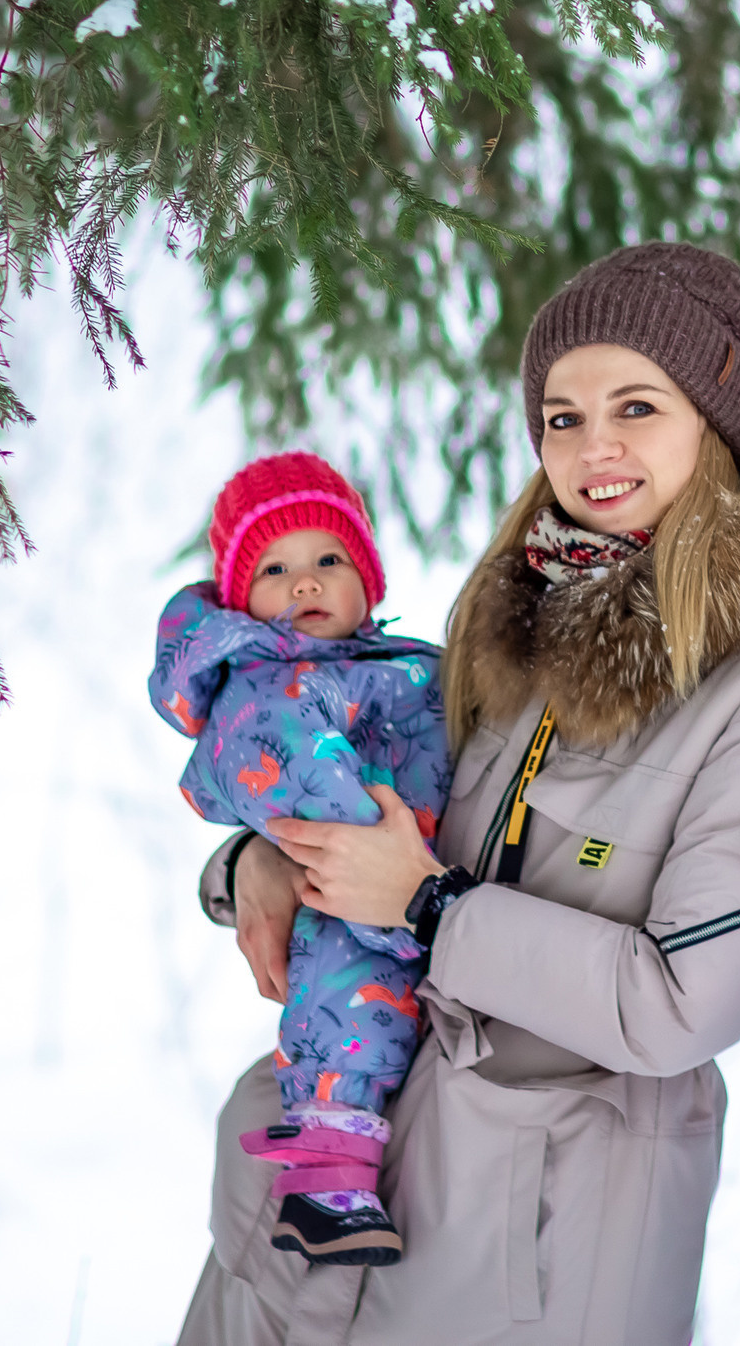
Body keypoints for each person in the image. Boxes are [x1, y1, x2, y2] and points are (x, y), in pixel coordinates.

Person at [177, 243, 740, 1345]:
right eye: (561, 416)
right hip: (326, 1211)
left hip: (530, 1251)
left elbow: (679, 1006)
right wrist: (257, 861)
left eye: (634, 407)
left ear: (715, 416)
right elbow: (388, 805)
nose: (592, 447)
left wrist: (430, 910)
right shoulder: (516, 616)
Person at [150, 452, 447, 1266]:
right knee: (352, 1014)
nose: (306, 583)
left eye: (329, 560)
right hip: (359, 901)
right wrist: (411, 911)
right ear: (240, 596)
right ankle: (325, 1183)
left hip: (410, 888)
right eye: (276, 567)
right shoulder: (262, 687)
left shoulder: (399, 663)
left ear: (370, 583)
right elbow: (311, 789)